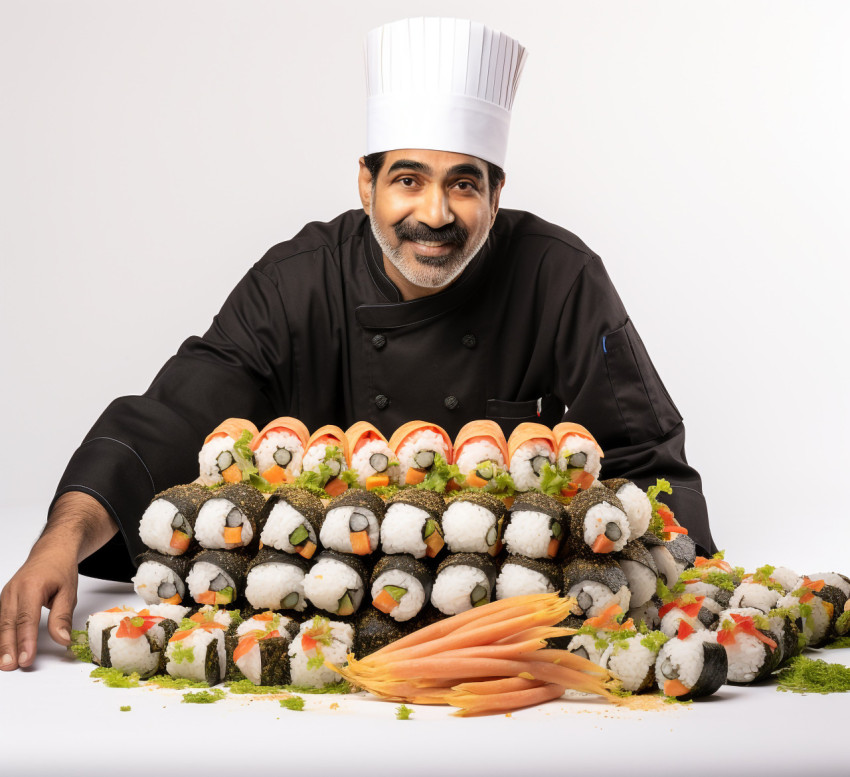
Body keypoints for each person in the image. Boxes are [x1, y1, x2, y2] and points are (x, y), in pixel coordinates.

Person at [0, 17, 715, 672]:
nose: (434, 214)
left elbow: (649, 464)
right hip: (321, 622)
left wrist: (669, 591)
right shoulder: (297, 282)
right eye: (408, 179)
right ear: (366, 183)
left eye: (463, 184)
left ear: (495, 194)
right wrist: (63, 536)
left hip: (506, 631)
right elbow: (175, 411)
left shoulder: (559, 277)